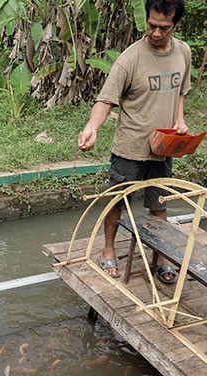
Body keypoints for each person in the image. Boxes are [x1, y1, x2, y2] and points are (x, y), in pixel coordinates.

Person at [77, 0, 191, 283]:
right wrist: (92, 127)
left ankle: (160, 255)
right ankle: (107, 250)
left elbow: (180, 92)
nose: (155, 32)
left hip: (163, 148)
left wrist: (180, 121)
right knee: (116, 201)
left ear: (174, 25)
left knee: (160, 203)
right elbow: (106, 100)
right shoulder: (130, 58)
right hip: (130, 148)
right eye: (151, 25)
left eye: (163, 28)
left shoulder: (183, 53)